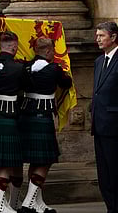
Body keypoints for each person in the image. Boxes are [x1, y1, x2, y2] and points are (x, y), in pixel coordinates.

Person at [18, 37, 72, 213]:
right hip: (42, 117)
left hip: (26, 116)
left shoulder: (25, 67)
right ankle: (28, 202)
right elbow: (66, 83)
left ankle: (37, 203)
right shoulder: (53, 69)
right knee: (45, 161)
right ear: (48, 51)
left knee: (36, 161)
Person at [90, 21, 118, 213]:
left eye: (101, 36)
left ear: (114, 37)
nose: (97, 39)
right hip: (99, 124)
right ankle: (110, 207)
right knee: (104, 172)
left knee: (116, 170)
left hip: (116, 125)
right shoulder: (99, 61)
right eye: (97, 35)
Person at [0, 31, 26, 213]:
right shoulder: (17, 68)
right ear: (15, 47)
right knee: (7, 162)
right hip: (9, 117)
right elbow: (27, 85)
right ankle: (0, 204)